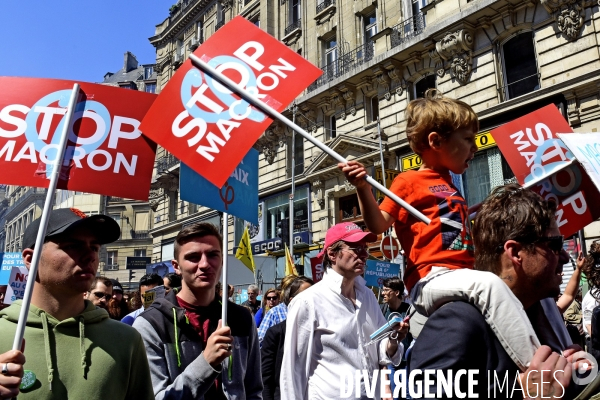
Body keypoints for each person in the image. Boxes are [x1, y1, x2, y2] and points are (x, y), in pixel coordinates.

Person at [340, 89, 541, 370]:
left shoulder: (451, 184)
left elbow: (447, 226)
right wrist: (362, 187)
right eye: (468, 139)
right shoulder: (408, 180)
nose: (475, 148)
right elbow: (377, 225)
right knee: (490, 285)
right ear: (435, 141)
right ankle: (537, 368)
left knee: (528, 284)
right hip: (431, 279)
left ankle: (562, 351)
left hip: (462, 274)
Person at [409, 185, 577, 398]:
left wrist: (574, 378)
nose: (564, 257)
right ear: (516, 252)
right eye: (555, 245)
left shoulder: (540, 317)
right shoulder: (458, 322)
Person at [0, 208, 153, 399]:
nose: (90, 256)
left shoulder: (127, 340)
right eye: (72, 246)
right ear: (31, 259)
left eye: (95, 247)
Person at [132, 222, 262, 399]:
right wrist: (206, 362)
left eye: (212, 255)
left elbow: (253, 390)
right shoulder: (152, 324)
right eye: (193, 257)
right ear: (176, 266)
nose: (205, 264)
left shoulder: (241, 317)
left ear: (222, 261)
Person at [280, 222, 408, 400]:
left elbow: (380, 348)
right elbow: (293, 370)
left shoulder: (368, 297)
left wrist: (393, 340)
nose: (364, 255)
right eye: (356, 248)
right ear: (332, 254)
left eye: (364, 248)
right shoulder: (308, 302)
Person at [261, 276, 313, 400]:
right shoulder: (276, 333)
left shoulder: (321, 331)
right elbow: (266, 377)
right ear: (292, 301)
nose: (313, 299)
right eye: (307, 295)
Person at [257, 274, 298, 345]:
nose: (271, 300)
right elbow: (260, 339)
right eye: (268, 298)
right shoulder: (273, 313)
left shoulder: (307, 311)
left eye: (274, 298)